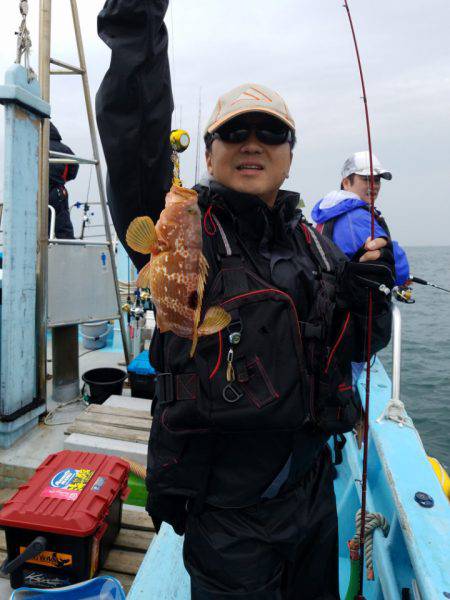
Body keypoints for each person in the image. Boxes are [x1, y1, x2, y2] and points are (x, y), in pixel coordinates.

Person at [96, 2, 394, 598]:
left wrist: (369, 295)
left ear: (290, 154)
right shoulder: (179, 224)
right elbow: (134, 129)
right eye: (233, 132)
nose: (251, 144)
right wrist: (138, 14)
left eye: (270, 133)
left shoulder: (313, 243)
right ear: (208, 154)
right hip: (228, 516)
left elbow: (360, 345)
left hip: (311, 493)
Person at [311, 151, 410, 286]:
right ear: (346, 183)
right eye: (366, 179)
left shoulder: (330, 211)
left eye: (377, 179)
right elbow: (399, 270)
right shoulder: (357, 217)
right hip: (356, 303)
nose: (374, 185)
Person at [49, 122, 78, 239]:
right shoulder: (66, 149)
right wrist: (62, 179)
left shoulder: (36, 143)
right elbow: (73, 171)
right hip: (58, 191)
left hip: (37, 192)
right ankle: (68, 249)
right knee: (63, 225)